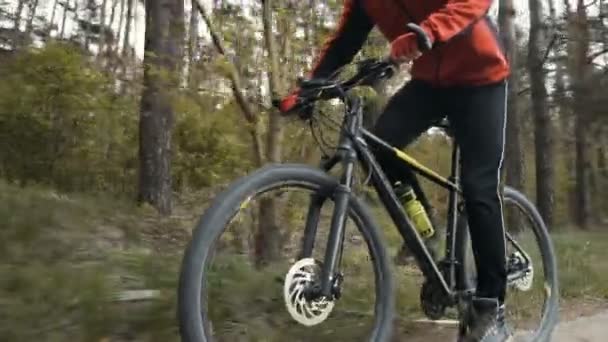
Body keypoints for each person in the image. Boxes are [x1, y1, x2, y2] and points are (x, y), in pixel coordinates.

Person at [278, 1, 511, 341]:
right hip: (429, 85)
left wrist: (430, 31)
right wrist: (309, 88)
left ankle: (491, 307)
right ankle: (425, 229)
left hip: (482, 79)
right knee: (377, 146)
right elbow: (345, 42)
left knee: (478, 188)